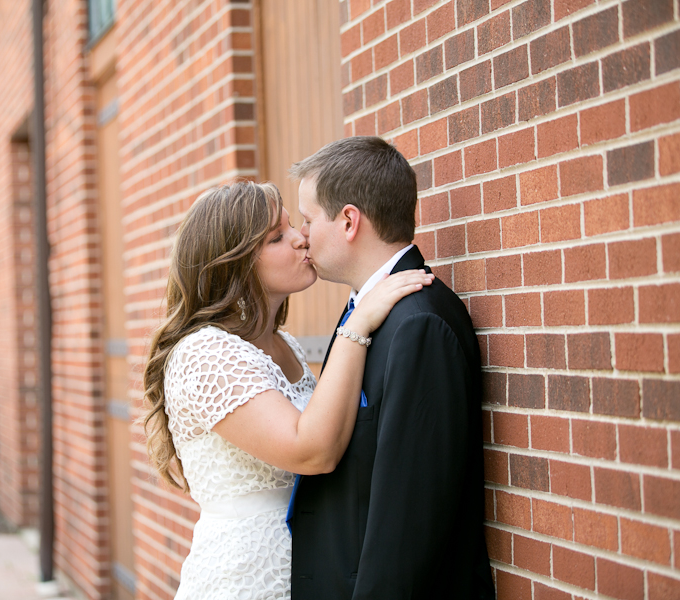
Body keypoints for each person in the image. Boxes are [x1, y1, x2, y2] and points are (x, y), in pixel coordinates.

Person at [142, 181, 434, 599]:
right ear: (235, 264)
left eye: (293, 226)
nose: (301, 239)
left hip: (310, 568)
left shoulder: (285, 344)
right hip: (246, 578)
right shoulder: (204, 354)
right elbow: (310, 450)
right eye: (277, 237)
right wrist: (358, 324)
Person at [286, 136, 495, 599]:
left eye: (306, 219)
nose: (301, 235)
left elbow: (409, 521)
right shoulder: (369, 310)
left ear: (348, 221)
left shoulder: (419, 325)